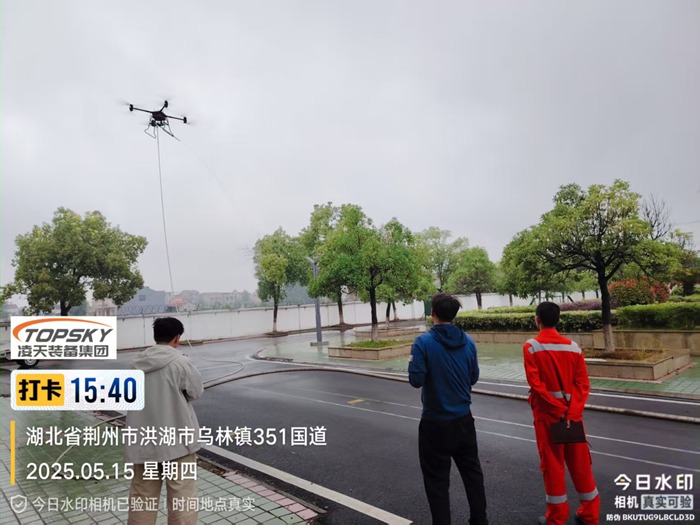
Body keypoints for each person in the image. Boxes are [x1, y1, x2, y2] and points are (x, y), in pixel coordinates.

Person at [408, 292, 489, 525]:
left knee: (437, 482)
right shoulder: (468, 341)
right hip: (464, 421)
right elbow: (473, 377)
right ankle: (479, 520)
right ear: (453, 315)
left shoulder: (423, 342)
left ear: (432, 313)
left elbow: (416, 380)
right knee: (472, 474)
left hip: (434, 424)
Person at [523, 302, 599, 525]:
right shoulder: (574, 348)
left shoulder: (531, 347)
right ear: (558, 320)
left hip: (548, 418)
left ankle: (556, 518)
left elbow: (536, 385)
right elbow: (583, 384)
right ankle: (590, 514)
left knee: (553, 467)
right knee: (581, 465)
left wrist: (558, 410)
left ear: (537, 320)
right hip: (572, 418)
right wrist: (571, 412)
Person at [125, 317, 204, 525]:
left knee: (142, 497)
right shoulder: (181, 363)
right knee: (182, 498)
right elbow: (195, 392)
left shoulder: (135, 364)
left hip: (143, 443)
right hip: (178, 443)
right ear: (177, 338)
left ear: (155, 336)